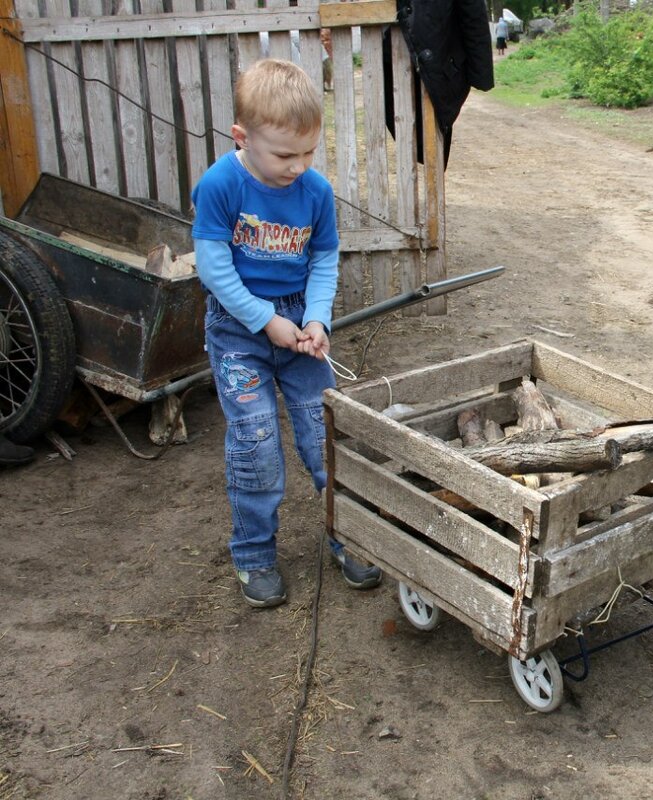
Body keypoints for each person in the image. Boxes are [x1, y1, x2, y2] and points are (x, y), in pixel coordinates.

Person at [190, 58, 382, 608]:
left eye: (308, 153)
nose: (298, 166)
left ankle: (348, 534)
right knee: (256, 443)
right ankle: (253, 553)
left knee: (325, 436)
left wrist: (316, 319)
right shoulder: (221, 185)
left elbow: (324, 260)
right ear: (242, 137)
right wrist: (264, 322)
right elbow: (213, 268)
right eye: (283, 154)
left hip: (299, 324)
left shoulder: (315, 192)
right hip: (239, 330)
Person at [382, 0, 495, 165]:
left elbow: (473, 14)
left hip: (437, 56)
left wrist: (480, 73)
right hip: (390, 55)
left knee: (431, 131)